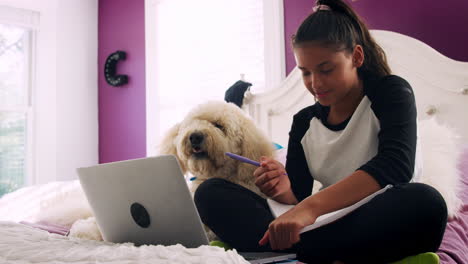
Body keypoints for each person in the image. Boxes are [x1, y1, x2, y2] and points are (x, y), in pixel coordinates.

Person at [194, 0, 448, 263]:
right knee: (209, 193)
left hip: (376, 215)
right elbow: (297, 198)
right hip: (325, 223)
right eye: (305, 73)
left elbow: (395, 167)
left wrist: (308, 208)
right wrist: (283, 189)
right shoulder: (304, 122)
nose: (315, 84)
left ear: (357, 57)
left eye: (326, 69)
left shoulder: (391, 92)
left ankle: (284, 249)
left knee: (426, 203)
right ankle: (314, 249)